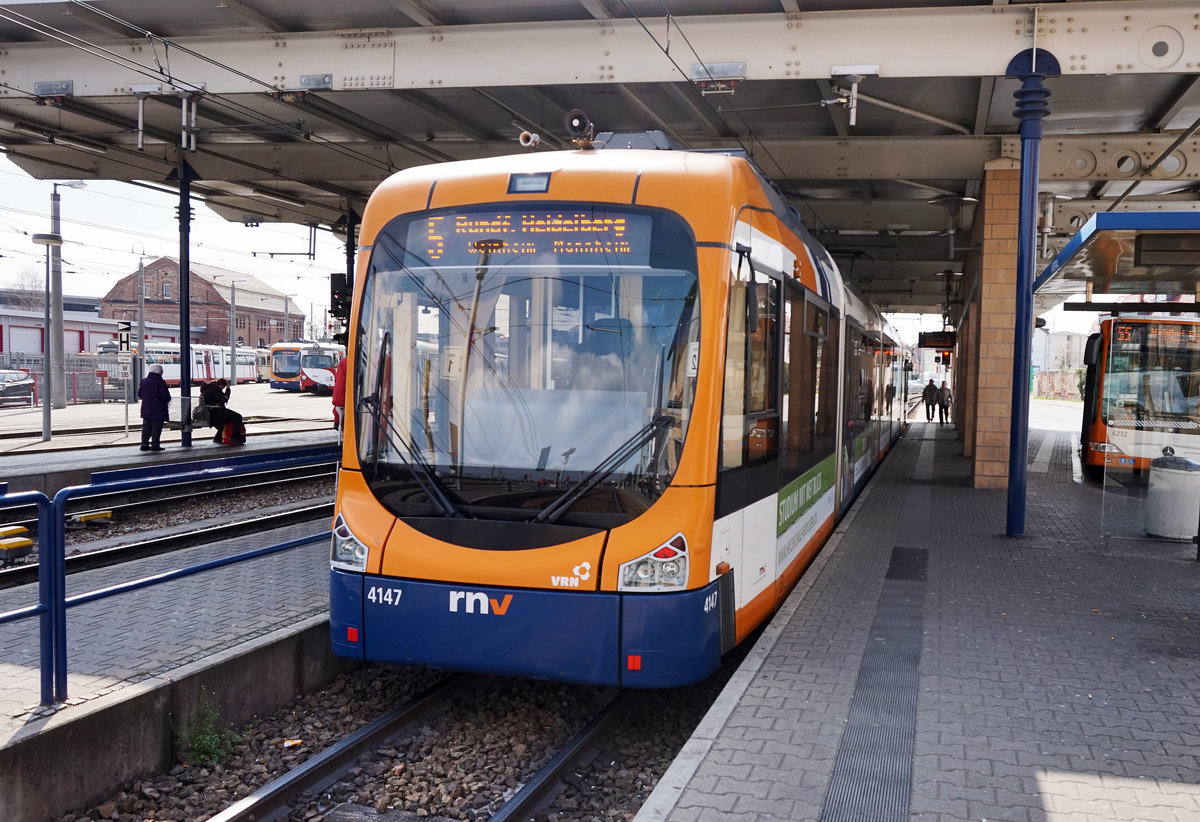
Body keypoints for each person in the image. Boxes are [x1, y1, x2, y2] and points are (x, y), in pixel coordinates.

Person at [137, 364, 171, 452]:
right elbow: (165, 396)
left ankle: (144, 444)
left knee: (146, 427)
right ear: (158, 371)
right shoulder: (160, 382)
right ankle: (155, 445)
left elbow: (140, 394)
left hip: (146, 408)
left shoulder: (144, 381)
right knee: (156, 427)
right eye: (161, 370)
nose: (162, 372)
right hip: (158, 409)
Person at [201, 377, 245, 444]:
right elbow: (224, 399)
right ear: (221, 385)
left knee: (225, 420)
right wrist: (228, 389)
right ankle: (234, 437)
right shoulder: (215, 389)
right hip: (216, 413)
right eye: (223, 387)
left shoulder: (208, 389)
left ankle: (218, 438)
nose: (222, 389)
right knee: (238, 417)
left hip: (210, 412)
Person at [332, 355, 347, 432]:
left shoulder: (345, 363)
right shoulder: (386, 360)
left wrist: (338, 420)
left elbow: (339, 397)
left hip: (354, 417)